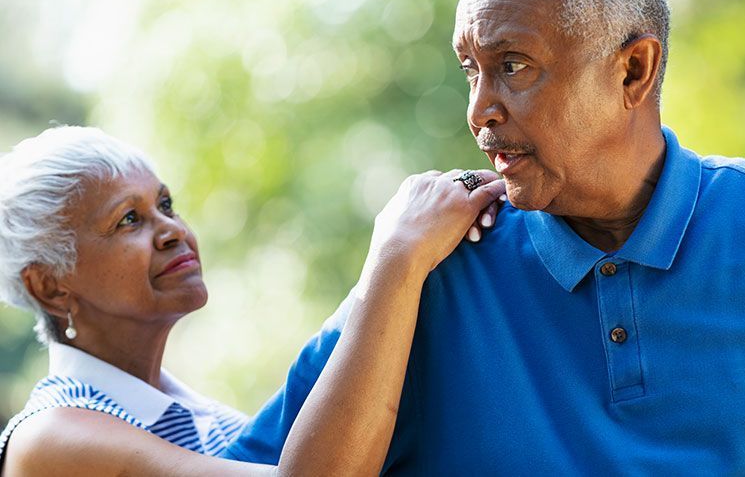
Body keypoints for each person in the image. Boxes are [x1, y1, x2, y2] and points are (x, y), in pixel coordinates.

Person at [222, 0, 745, 473]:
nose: (478, 111)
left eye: (513, 66)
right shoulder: (431, 266)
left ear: (633, 71)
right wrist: (393, 260)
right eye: (471, 69)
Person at [0, 125, 505, 475]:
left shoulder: (202, 419)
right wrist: (398, 252)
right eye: (128, 220)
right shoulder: (53, 439)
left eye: (165, 205)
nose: (172, 231)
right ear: (50, 284)